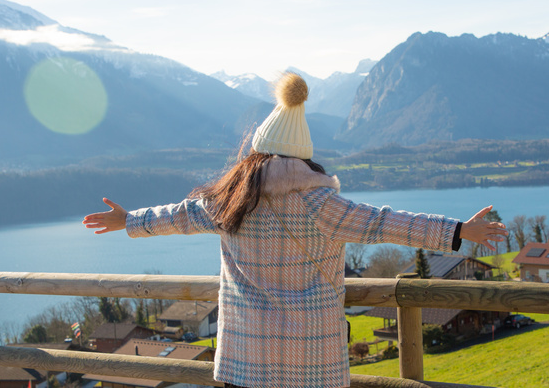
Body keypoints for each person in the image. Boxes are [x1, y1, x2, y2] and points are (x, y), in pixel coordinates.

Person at [83, 72, 507, 388]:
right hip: (313, 361)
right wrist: (458, 231)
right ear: (304, 158)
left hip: (245, 359)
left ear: (256, 154)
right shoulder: (322, 203)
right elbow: (387, 223)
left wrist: (129, 221)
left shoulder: (229, 201)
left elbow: (176, 215)